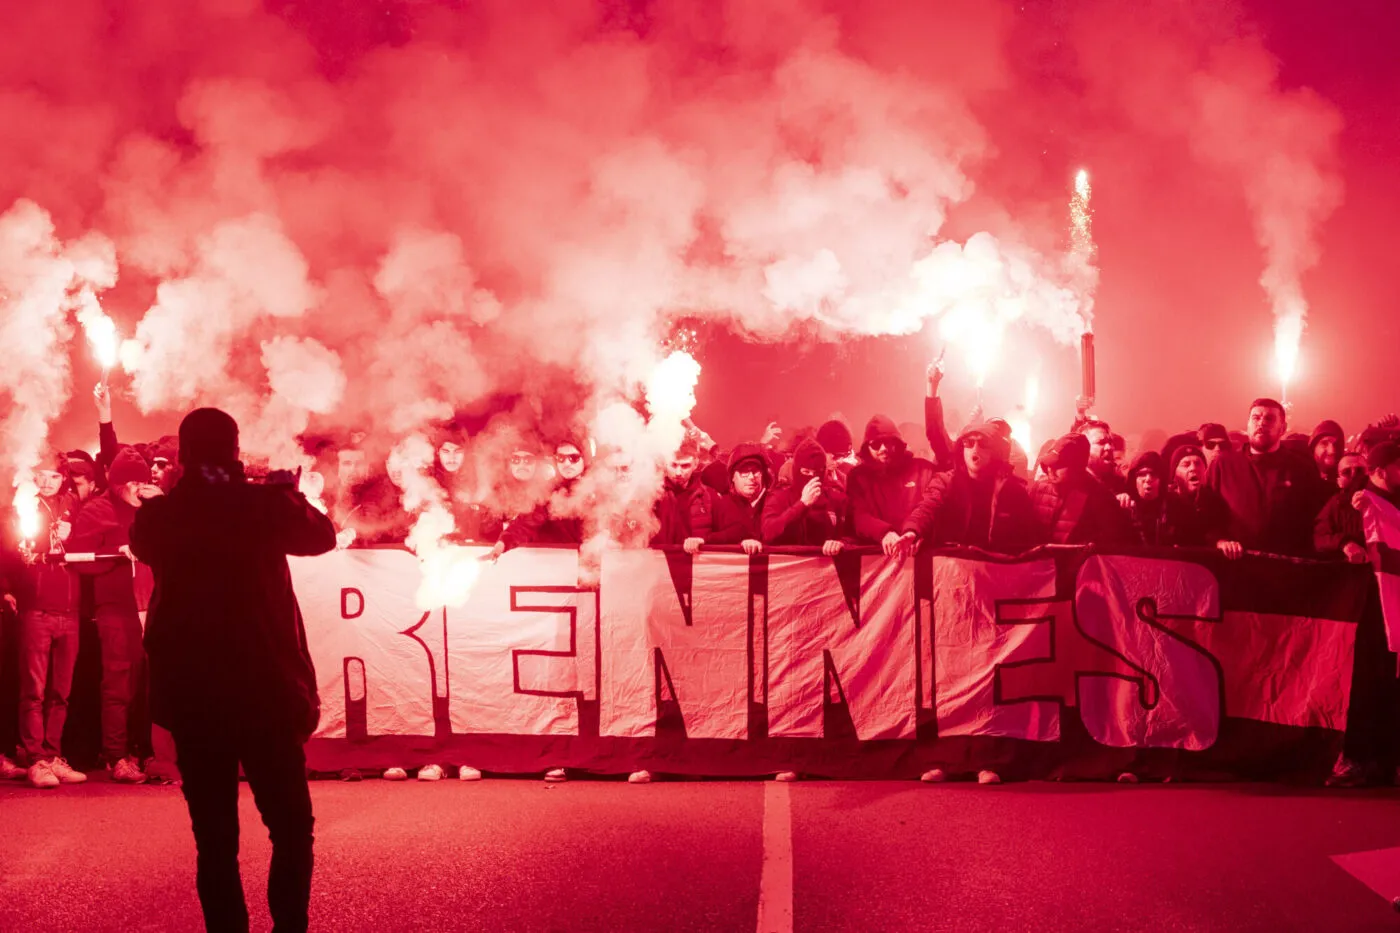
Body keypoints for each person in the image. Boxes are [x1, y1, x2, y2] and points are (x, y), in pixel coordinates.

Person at [130, 408, 335, 932]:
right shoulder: (264, 504)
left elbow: (145, 542)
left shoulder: (163, 513)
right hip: (264, 689)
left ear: (183, 454)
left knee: (215, 839)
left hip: (196, 696)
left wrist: (181, 488)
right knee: (291, 827)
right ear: (236, 450)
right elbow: (321, 537)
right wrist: (287, 491)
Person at [67, 446, 160, 784]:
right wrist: (115, 553)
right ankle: (116, 755)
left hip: (152, 606)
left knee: (152, 684)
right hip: (116, 608)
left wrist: (163, 503)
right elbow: (77, 556)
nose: (139, 488)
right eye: (131, 482)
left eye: (143, 481)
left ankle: (148, 752)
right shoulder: (98, 510)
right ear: (117, 483)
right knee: (118, 683)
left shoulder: (153, 509)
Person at [0, 466, 87, 788]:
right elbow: (12, 551)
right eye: (41, 475)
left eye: (54, 475)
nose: (47, 482)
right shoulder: (23, 505)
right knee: (33, 691)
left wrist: (72, 536)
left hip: (71, 610)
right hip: (36, 609)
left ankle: (53, 756)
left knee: (61, 693)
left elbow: (90, 544)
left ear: (63, 478)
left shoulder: (75, 505)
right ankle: (36, 759)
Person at [1207, 398, 1326, 556]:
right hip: (1237, 565)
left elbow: (1316, 520)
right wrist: (1220, 540)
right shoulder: (1223, 466)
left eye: (1269, 418)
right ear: (1248, 425)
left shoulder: (1302, 469)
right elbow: (1207, 513)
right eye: (1256, 418)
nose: (1261, 423)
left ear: (1282, 428)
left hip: (1285, 568)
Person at [899, 423, 1037, 554]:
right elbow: (926, 508)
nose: (975, 449)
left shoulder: (1013, 490)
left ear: (995, 451)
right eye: (969, 443)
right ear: (962, 449)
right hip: (954, 570)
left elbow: (1030, 535)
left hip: (994, 572)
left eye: (983, 443)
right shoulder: (946, 482)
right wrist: (912, 531)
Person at [846, 416, 939, 556]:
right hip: (877, 564)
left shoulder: (922, 470)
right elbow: (858, 515)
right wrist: (884, 533)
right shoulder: (857, 477)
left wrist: (916, 532)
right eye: (876, 444)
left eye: (888, 442)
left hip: (920, 558)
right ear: (867, 447)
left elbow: (931, 507)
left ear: (898, 442)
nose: (883, 448)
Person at [1030, 434, 1130, 545]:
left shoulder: (1099, 497)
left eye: (1059, 465)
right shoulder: (1039, 487)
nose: (1051, 470)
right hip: (1039, 560)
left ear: (1076, 467)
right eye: (1050, 464)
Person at [761, 438, 848, 553]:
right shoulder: (779, 497)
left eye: (817, 473)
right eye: (806, 472)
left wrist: (840, 543)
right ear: (797, 470)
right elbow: (768, 532)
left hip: (825, 568)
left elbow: (851, 533)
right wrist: (802, 504)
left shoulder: (834, 499)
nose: (811, 478)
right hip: (790, 567)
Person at [686, 444, 770, 555]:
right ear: (732, 477)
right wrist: (701, 541)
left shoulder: (775, 502)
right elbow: (711, 537)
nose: (751, 477)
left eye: (756, 471)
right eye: (744, 472)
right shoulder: (719, 505)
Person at [1166, 445, 1239, 555]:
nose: (1193, 468)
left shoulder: (1215, 502)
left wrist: (1221, 542)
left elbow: (1217, 530)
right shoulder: (1166, 503)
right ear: (1174, 474)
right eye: (1186, 464)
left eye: (1198, 463)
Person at [1314, 451, 1370, 562]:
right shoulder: (1335, 504)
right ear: (1339, 480)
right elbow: (1320, 537)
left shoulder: (1382, 497)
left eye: (1359, 470)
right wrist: (1344, 543)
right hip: (1350, 571)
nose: (1354, 475)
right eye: (1346, 472)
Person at [651, 440, 708, 547]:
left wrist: (703, 540)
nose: (678, 473)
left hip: (694, 561)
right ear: (665, 463)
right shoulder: (651, 494)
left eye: (685, 466)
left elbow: (727, 531)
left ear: (695, 463)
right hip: (658, 561)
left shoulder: (708, 496)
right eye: (673, 465)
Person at [1079, 420, 1126, 496]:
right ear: (1084, 448)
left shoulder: (1120, 484)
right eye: (1101, 442)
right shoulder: (1075, 485)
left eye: (1110, 442)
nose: (1109, 447)